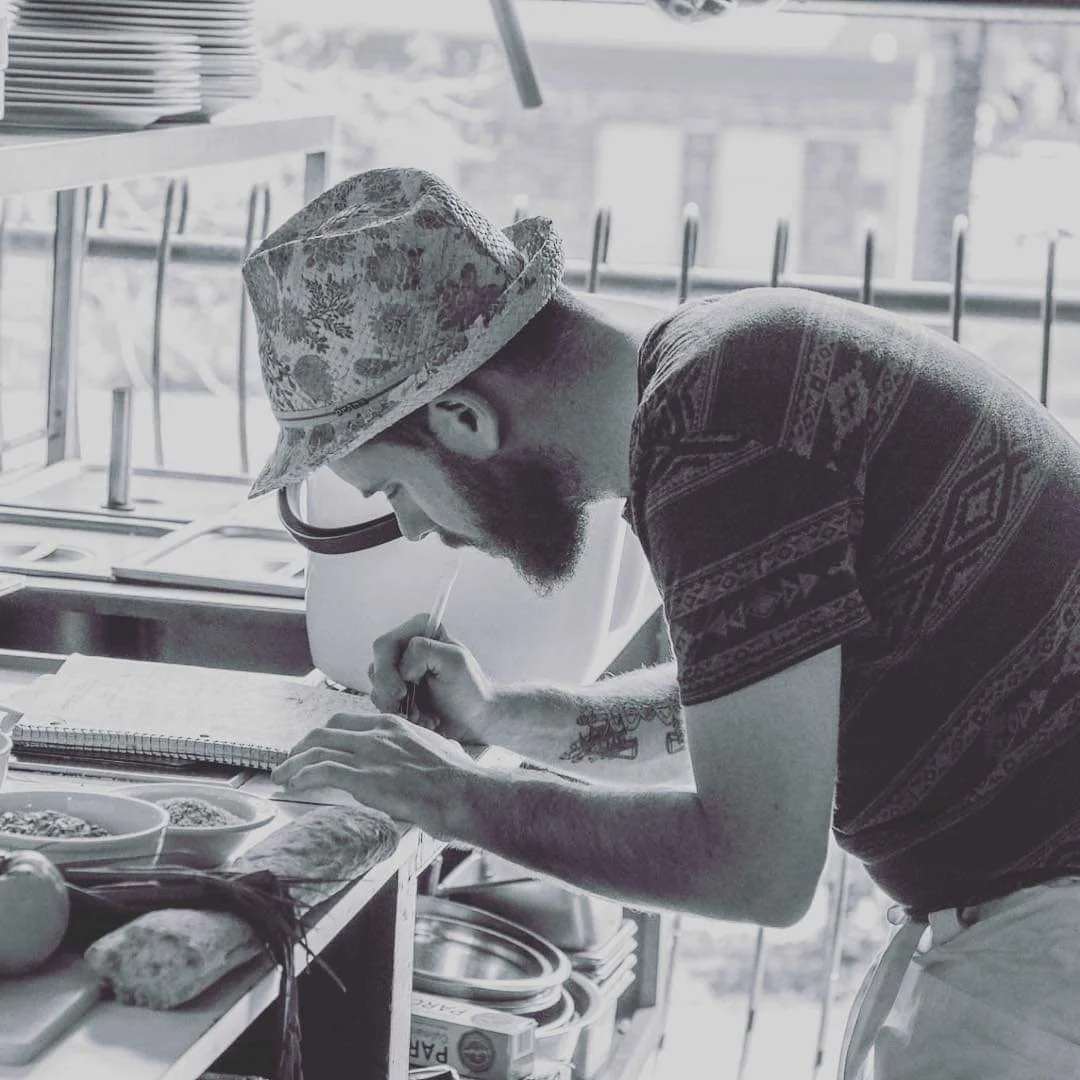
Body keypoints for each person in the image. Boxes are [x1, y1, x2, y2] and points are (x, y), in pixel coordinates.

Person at [244, 167, 1080, 1078]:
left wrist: (453, 797)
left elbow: (756, 867)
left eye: (395, 489)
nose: (412, 527)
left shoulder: (720, 434)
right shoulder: (721, 379)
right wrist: (502, 717)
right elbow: (735, 722)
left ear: (462, 418)